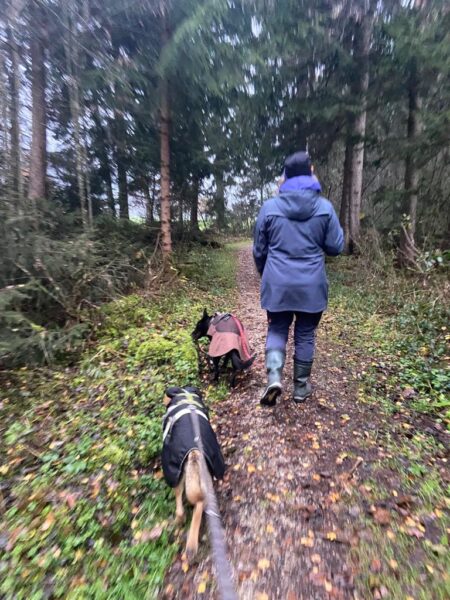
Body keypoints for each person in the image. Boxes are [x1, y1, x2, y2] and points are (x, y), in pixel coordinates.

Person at [253, 150, 344, 406]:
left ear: (285, 176)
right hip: (311, 287)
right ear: (311, 172)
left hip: (278, 284)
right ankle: (301, 388)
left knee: (277, 328)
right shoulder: (325, 208)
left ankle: (274, 378)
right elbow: (336, 247)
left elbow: (259, 250)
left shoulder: (269, 208)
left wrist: (266, 274)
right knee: (305, 334)